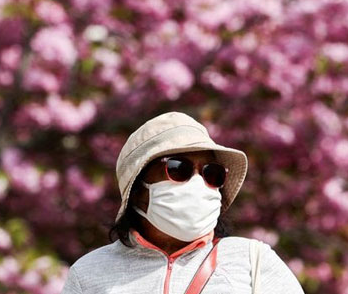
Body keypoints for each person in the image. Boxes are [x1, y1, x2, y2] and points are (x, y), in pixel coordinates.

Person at [61, 111, 304, 294]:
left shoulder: (254, 261)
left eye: (211, 173)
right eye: (178, 168)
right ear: (137, 187)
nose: (198, 182)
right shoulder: (88, 275)